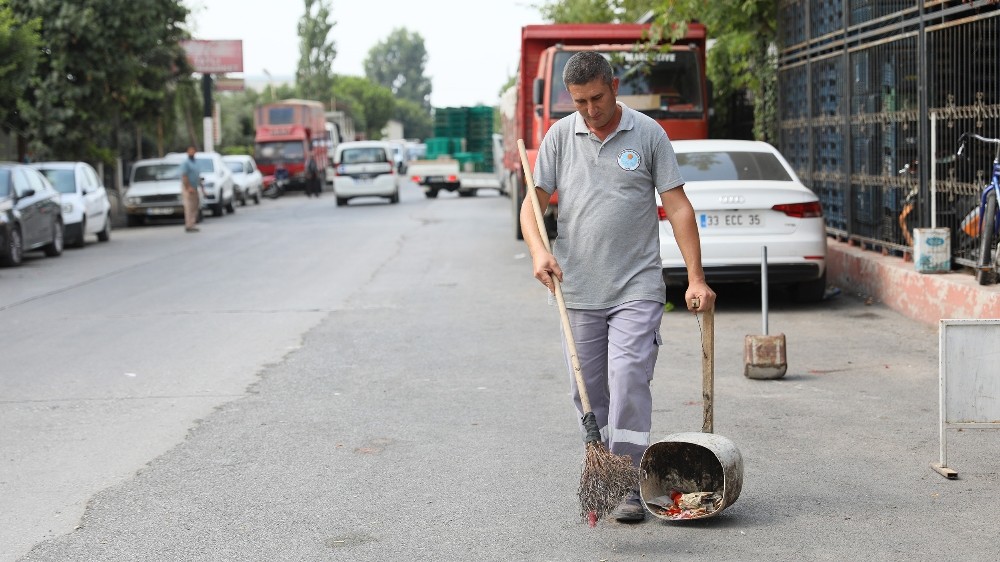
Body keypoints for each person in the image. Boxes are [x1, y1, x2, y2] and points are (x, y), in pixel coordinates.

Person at [519, 51, 716, 523]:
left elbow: (679, 207)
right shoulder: (560, 137)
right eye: (580, 101)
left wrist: (696, 277)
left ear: (615, 84)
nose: (590, 109)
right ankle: (603, 466)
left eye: (597, 97)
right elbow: (532, 206)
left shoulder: (647, 134)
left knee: (628, 376)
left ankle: (627, 480)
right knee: (588, 389)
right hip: (578, 290)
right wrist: (538, 253)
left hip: (637, 285)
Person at [180, 146, 201, 232]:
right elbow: (184, 176)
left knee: (195, 206)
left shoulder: (195, 162)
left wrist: (202, 188)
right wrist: (188, 187)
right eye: (190, 151)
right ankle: (188, 225)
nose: (191, 153)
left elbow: (198, 176)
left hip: (195, 187)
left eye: (193, 151)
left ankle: (193, 223)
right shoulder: (186, 163)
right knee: (189, 207)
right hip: (188, 188)